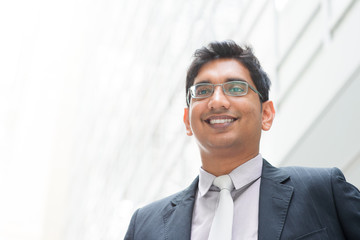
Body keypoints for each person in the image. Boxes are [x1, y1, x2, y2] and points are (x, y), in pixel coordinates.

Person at [124, 40, 360, 240]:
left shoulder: (323, 191)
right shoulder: (145, 226)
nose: (217, 101)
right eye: (203, 91)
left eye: (235, 88)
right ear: (187, 120)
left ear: (266, 114)